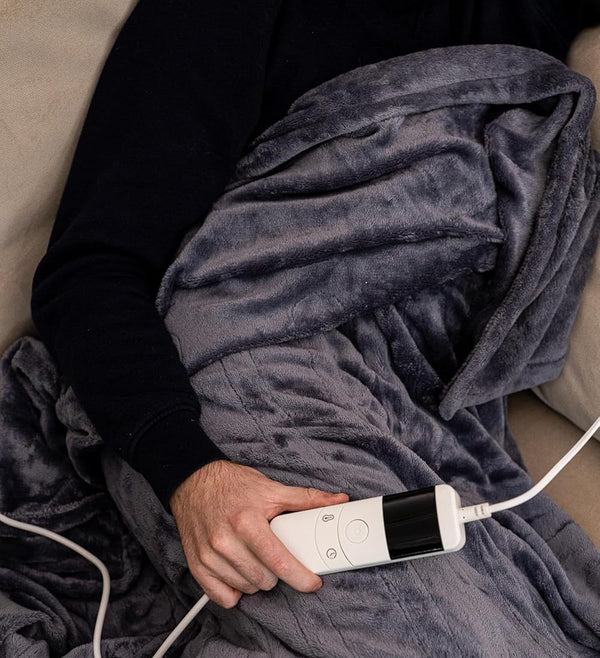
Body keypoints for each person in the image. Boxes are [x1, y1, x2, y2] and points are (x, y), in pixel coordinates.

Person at [31, 0, 600, 609]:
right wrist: (192, 473)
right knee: (415, 639)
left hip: (428, 396)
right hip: (248, 362)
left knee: (542, 622)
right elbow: (89, 269)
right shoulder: (212, 19)